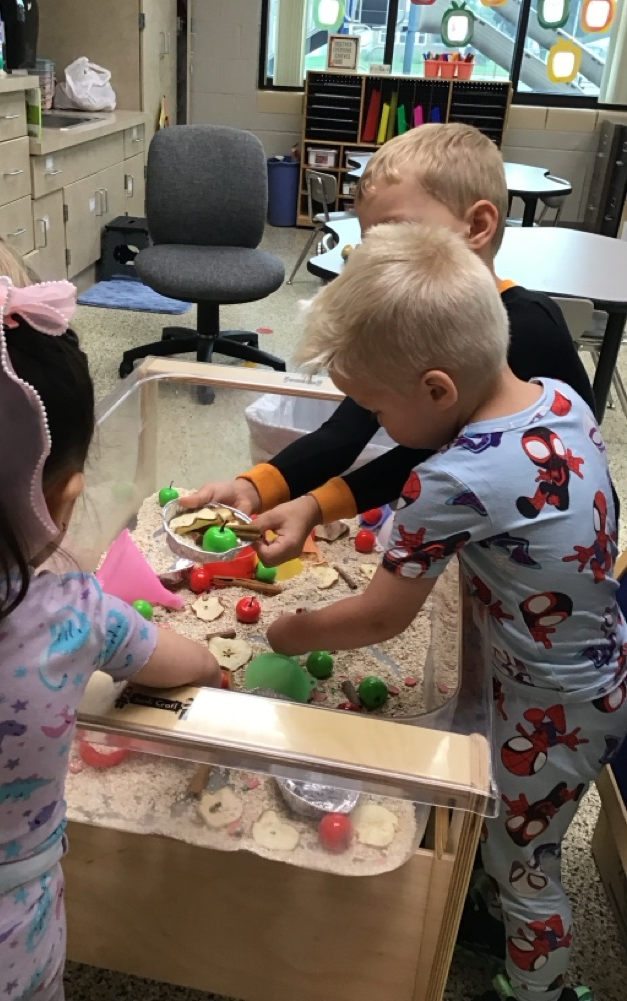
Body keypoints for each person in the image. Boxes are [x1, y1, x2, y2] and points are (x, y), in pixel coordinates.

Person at [265, 221, 625, 1001]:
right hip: (591, 668)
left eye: (376, 408)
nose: (379, 427)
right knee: (514, 829)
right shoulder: (561, 397)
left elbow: (378, 619)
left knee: (530, 864)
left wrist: (291, 631)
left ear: (436, 390)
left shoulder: (449, 480)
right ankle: (489, 903)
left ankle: (537, 990)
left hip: (552, 707)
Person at [0, 231, 220, 1000]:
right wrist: (212, 663)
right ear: (62, 500)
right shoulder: (71, 612)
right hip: (7, 956)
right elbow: (180, 661)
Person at [182, 124, 603, 566]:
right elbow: (346, 431)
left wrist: (316, 506)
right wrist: (253, 489)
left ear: (478, 225)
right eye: (371, 241)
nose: (377, 257)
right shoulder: (400, 320)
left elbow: (430, 460)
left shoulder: (529, 328)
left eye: (397, 232)